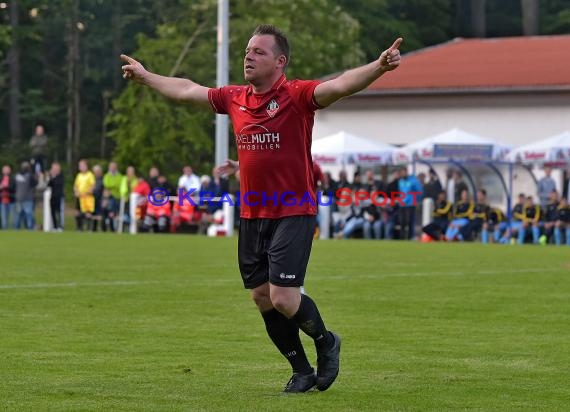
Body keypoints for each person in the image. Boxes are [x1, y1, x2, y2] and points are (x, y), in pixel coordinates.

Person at [121, 24, 402, 393]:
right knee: (261, 297)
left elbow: (340, 84)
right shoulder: (234, 97)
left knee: (283, 297)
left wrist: (379, 66)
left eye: (259, 52)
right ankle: (301, 370)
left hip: (293, 210)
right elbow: (188, 90)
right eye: (247, 51)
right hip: (253, 214)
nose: (248, 56)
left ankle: (326, 341)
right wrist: (146, 77)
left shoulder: (297, 95)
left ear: (280, 62)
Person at [46, 162, 64, 232]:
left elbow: (58, 184)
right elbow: (49, 184)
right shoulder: (52, 177)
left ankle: (60, 226)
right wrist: (51, 177)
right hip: (52, 196)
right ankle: (55, 226)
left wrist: (53, 177)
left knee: (59, 212)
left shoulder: (61, 176)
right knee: (52, 212)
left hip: (59, 196)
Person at [0, 165, 16, 229]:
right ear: (2, 171)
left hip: (11, 200)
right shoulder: (0, 178)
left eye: (7, 169)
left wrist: (4, 186)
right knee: (4, 216)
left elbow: (12, 188)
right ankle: (5, 229)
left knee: (13, 216)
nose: (6, 171)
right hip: (2, 200)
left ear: (10, 171)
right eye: (4, 169)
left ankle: (15, 229)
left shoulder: (12, 178)